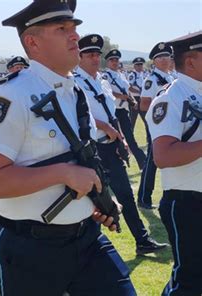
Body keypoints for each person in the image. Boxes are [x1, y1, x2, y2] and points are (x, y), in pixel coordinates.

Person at [0, 1, 137, 295]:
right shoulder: (12, 95)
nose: (74, 36)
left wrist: (98, 201)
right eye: (62, 29)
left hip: (87, 237)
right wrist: (62, 173)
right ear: (33, 42)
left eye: (74, 27)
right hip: (30, 248)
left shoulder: (75, 91)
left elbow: (83, 159)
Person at [75, 34, 168, 255]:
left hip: (109, 146)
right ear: (79, 57)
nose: (95, 58)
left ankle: (142, 241)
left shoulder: (103, 81)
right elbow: (79, 116)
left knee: (125, 194)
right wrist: (108, 129)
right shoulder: (74, 82)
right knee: (93, 199)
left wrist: (121, 139)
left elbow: (111, 112)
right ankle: (89, 249)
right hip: (89, 148)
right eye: (89, 54)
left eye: (97, 54)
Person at [147, 30, 202, 296]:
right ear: (191, 61)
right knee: (190, 282)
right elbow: (164, 156)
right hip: (187, 202)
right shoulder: (171, 97)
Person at [138, 42, 175, 209]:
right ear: (154, 61)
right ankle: (144, 198)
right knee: (152, 161)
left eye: (167, 56)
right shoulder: (151, 80)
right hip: (158, 125)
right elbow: (144, 105)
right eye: (160, 57)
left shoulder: (171, 77)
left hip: (172, 125)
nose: (164, 59)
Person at [102, 49, 146, 170]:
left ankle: (142, 162)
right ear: (107, 62)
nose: (115, 62)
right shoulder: (105, 76)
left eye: (116, 60)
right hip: (113, 111)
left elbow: (127, 89)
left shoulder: (121, 75)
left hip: (123, 110)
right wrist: (124, 97)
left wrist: (132, 100)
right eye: (112, 60)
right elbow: (108, 92)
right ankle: (118, 164)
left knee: (130, 137)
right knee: (116, 139)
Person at [127, 57, 148, 129]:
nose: (140, 67)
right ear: (134, 66)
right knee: (132, 120)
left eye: (141, 65)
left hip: (142, 99)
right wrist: (139, 91)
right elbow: (129, 87)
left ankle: (149, 139)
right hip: (135, 99)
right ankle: (130, 138)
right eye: (138, 65)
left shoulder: (143, 74)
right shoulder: (132, 75)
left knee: (146, 120)